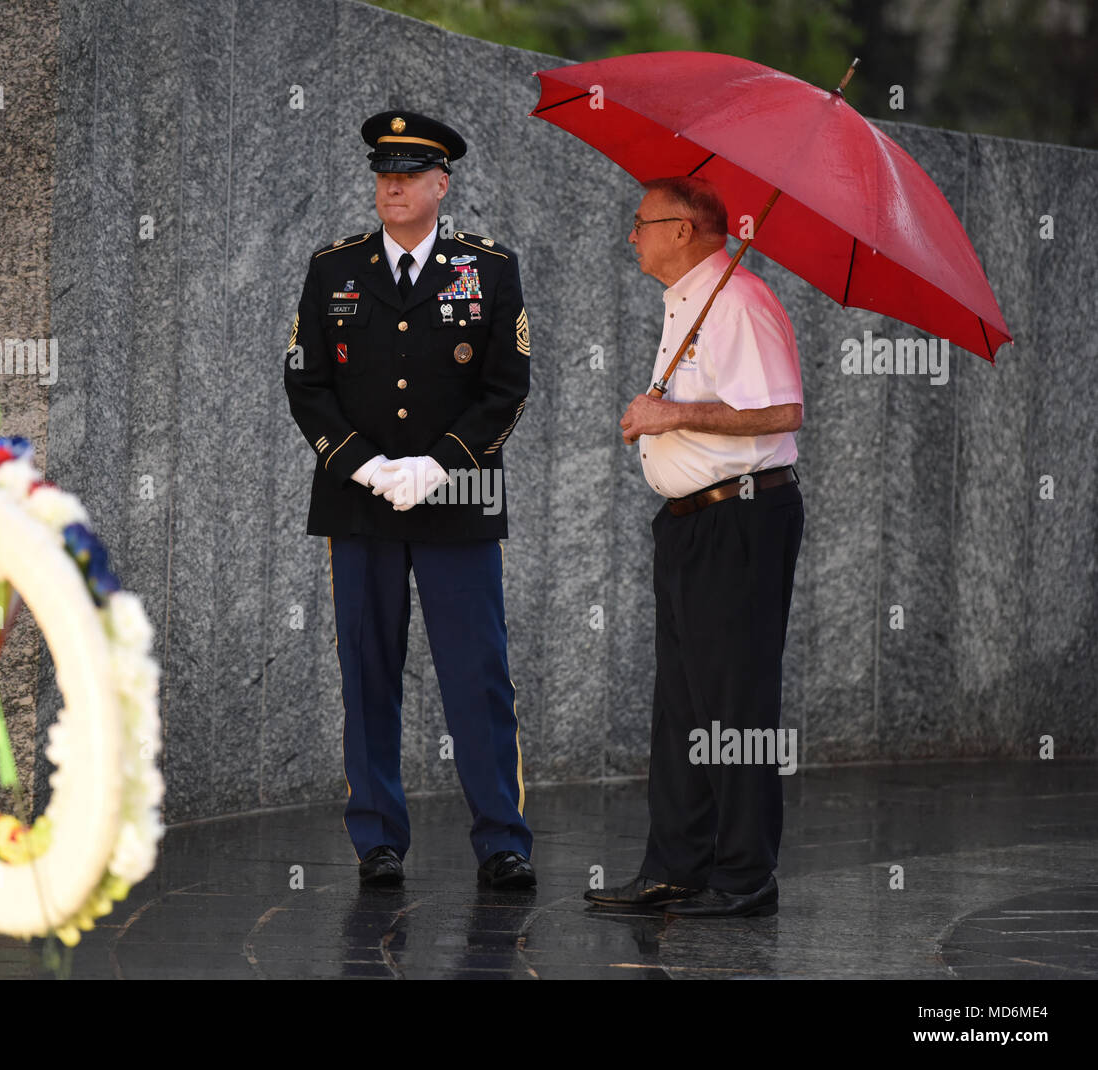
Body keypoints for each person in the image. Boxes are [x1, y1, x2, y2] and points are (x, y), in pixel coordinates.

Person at [282, 110, 535, 889]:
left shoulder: (487, 268)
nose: (390, 184)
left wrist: (441, 463)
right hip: (359, 508)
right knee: (366, 667)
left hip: (457, 503)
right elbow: (306, 381)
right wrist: (360, 465)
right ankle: (378, 838)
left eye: (408, 172)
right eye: (382, 172)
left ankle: (501, 839)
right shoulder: (334, 268)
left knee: (477, 671)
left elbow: (506, 388)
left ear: (441, 184)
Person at [585, 176, 804, 917]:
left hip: (737, 521)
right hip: (690, 524)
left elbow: (781, 410)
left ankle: (745, 878)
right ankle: (675, 866)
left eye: (640, 222)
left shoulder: (739, 300)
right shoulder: (688, 301)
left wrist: (667, 413)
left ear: (683, 230)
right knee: (683, 704)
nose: (631, 235)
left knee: (734, 705)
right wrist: (660, 420)